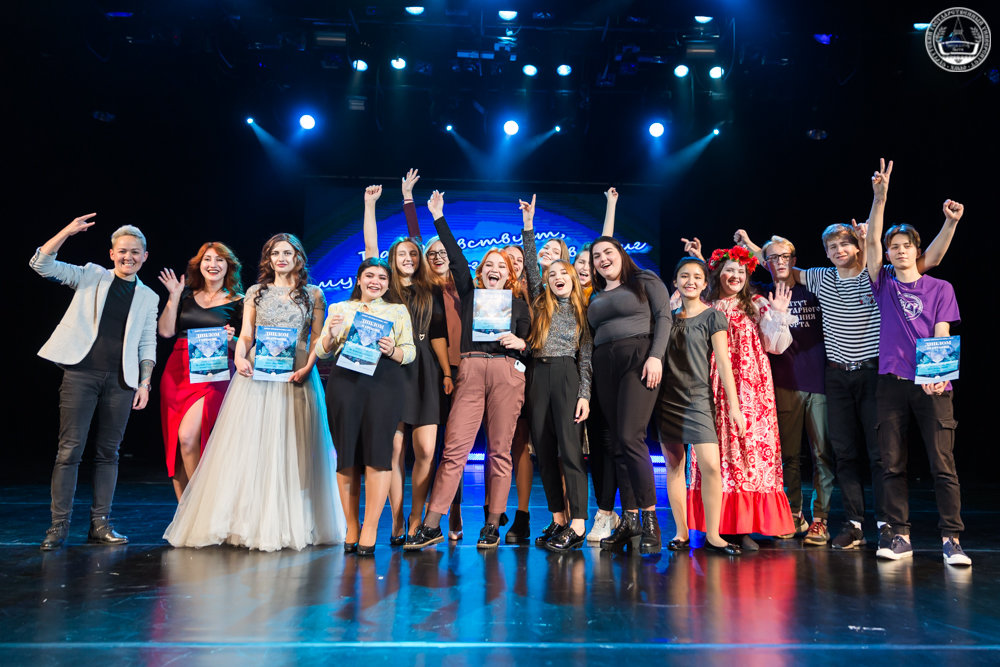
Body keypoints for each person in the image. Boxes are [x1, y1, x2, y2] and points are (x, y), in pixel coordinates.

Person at [738, 163, 958, 551]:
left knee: (882, 454)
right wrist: (754, 247)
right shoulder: (820, 277)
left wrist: (881, 199)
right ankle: (854, 522)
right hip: (836, 375)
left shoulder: (881, 277)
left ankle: (888, 525)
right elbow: (780, 263)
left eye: (845, 245)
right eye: (832, 247)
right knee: (843, 452)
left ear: (858, 246)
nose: (839, 251)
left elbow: (924, 257)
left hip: (875, 374)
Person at [163, 234, 345, 552]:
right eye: (275, 253)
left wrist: (308, 366)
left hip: (297, 372)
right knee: (254, 447)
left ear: (299, 258)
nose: (281, 258)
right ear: (268, 259)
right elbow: (247, 335)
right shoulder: (255, 293)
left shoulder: (314, 294)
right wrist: (239, 357)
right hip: (259, 373)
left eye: (287, 253)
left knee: (295, 448)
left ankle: (292, 521)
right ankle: (250, 522)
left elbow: (317, 339)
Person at [406, 190, 532, 550]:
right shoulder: (470, 294)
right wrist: (438, 216)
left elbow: (531, 343)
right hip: (472, 370)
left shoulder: (520, 305)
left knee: (500, 452)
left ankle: (492, 524)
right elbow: (457, 257)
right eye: (489, 264)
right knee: (454, 450)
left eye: (502, 266)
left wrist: (521, 343)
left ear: (510, 275)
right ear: (481, 272)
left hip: (507, 373)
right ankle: (432, 523)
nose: (495, 269)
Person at [863, 159, 969, 565]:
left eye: (907, 246)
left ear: (917, 250)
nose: (900, 251)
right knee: (891, 463)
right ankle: (899, 535)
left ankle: (951, 539)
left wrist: (937, 374)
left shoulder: (940, 287)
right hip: (891, 383)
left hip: (932, 382)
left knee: (943, 463)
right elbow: (873, 242)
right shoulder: (883, 283)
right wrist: (880, 198)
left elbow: (941, 330)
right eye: (894, 247)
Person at [31, 214, 159, 550]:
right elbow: (42, 265)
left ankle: (100, 525)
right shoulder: (92, 276)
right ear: (112, 254)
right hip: (81, 374)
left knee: (108, 453)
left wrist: (144, 383)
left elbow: (147, 341)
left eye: (135, 252)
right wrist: (67, 231)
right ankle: (58, 527)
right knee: (69, 450)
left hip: (122, 381)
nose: (128, 257)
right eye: (122, 251)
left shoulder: (148, 297)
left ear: (145, 256)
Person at [685, 244, 796, 550]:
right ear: (717, 274)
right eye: (729, 270)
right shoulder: (705, 305)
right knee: (716, 451)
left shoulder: (756, 304)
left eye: (741, 271)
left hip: (751, 388)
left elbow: (776, 346)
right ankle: (716, 525)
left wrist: (779, 314)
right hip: (711, 386)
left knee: (748, 449)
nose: (735, 275)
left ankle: (742, 525)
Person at [361, 178, 451, 545]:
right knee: (395, 449)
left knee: (427, 450)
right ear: (392, 259)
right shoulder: (385, 287)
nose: (409, 259)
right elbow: (371, 248)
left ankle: (417, 516)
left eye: (414, 254)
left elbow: (439, 334)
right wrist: (371, 206)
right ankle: (398, 520)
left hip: (427, 370)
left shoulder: (431, 288)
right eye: (402, 255)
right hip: (392, 368)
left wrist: (447, 372)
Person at [732, 232, 835, 546]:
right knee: (788, 455)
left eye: (785, 257)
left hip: (819, 383)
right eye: (773, 258)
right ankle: (793, 514)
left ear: (794, 260)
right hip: (783, 383)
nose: (779, 262)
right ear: (766, 263)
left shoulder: (813, 288)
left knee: (822, 455)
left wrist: (756, 246)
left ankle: (820, 519)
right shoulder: (760, 294)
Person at [316, 254, 416, 556]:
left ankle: (370, 527)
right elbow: (321, 352)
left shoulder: (397, 310)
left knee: (378, 454)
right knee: (346, 455)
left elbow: (410, 351)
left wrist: (393, 350)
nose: (376, 282)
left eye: (382, 278)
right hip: (346, 383)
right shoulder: (339, 308)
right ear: (359, 279)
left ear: (388, 284)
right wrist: (331, 335)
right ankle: (352, 526)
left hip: (384, 383)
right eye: (370, 276)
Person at [588, 233, 671, 555]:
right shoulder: (596, 294)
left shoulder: (644, 279)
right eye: (596, 256)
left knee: (630, 437)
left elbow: (664, 317)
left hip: (638, 358)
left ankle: (650, 521)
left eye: (608, 252)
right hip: (604, 364)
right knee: (617, 443)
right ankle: (630, 519)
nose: (602, 259)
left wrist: (656, 356)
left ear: (621, 254)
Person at [519, 194, 593, 551]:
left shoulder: (583, 309)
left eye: (564, 273)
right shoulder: (540, 301)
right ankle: (558, 518)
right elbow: (532, 266)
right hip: (538, 375)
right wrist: (528, 226)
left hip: (566, 375)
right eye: (553, 274)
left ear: (574, 278)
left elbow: (586, 357)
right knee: (544, 452)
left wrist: (584, 394)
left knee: (570, 451)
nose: (557, 277)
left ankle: (578, 524)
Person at [657, 257, 744, 556]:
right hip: (667, 400)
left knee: (711, 467)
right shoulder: (666, 319)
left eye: (697, 276)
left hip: (698, 400)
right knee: (674, 467)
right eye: (684, 276)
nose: (690, 281)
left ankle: (714, 535)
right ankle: (681, 532)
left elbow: (724, 364)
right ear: (675, 282)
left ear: (705, 283)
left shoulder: (713, 317)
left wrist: (734, 407)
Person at [157, 243, 244, 501]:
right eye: (207, 259)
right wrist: (174, 295)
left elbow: (246, 346)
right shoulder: (185, 295)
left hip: (213, 373)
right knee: (177, 443)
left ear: (229, 266)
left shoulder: (240, 301)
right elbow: (166, 332)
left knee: (188, 437)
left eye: (219, 260)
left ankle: (200, 505)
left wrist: (232, 339)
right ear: (199, 264)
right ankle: (185, 512)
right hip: (178, 371)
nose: (213, 264)